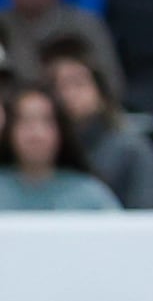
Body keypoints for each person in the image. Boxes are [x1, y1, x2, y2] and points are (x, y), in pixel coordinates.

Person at [42, 47, 153, 210]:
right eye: (58, 86)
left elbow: (149, 213)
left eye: (77, 83)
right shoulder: (40, 151)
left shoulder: (131, 150)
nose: (67, 94)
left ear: (101, 93)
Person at [1, 77, 116, 211]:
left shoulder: (91, 194)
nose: (36, 134)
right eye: (25, 121)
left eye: (47, 121)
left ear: (62, 130)